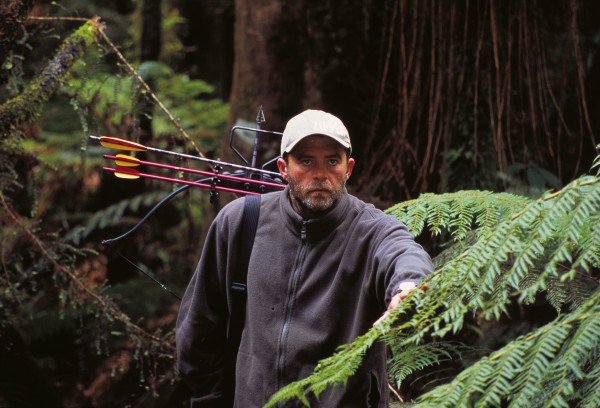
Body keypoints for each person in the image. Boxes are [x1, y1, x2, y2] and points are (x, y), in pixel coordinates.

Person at [176, 109, 434, 407]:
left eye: (332, 161)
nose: (320, 174)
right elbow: (198, 331)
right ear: (283, 168)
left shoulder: (372, 230)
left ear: (348, 168)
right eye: (306, 161)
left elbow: (403, 252)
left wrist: (409, 287)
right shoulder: (239, 223)